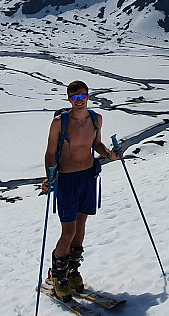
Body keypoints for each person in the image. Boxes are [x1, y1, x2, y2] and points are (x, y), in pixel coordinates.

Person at [43, 80, 120, 300]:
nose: (79, 100)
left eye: (82, 96)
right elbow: (50, 152)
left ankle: (73, 270)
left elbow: (96, 144)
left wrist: (109, 154)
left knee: (81, 224)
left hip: (88, 177)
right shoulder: (60, 122)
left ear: (88, 97)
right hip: (67, 180)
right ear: (69, 99)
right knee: (68, 231)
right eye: (75, 97)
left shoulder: (96, 119)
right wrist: (49, 175)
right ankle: (59, 275)